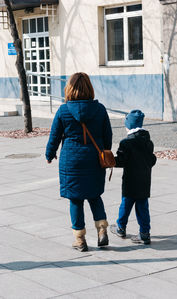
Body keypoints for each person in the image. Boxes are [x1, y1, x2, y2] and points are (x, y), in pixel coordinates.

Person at [46, 72, 112, 252]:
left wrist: (50, 154)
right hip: (94, 159)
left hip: (71, 161)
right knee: (94, 196)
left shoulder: (63, 110)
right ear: (89, 88)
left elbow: (55, 136)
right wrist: (104, 151)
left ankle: (80, 239)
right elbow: (108, 136)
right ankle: (102, 230)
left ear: (70, 88)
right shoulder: (100, 110)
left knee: (75, 200)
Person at [110, 110, 156, 244]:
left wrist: (111, 160)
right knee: (143, 207)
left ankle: (121, 227)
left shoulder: (126, 143)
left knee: (126, 205)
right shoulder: (149, 142)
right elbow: (151, 160)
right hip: (144, 181)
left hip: (130, 181)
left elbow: (122, 161)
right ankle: (145, 233)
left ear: (129, 125)